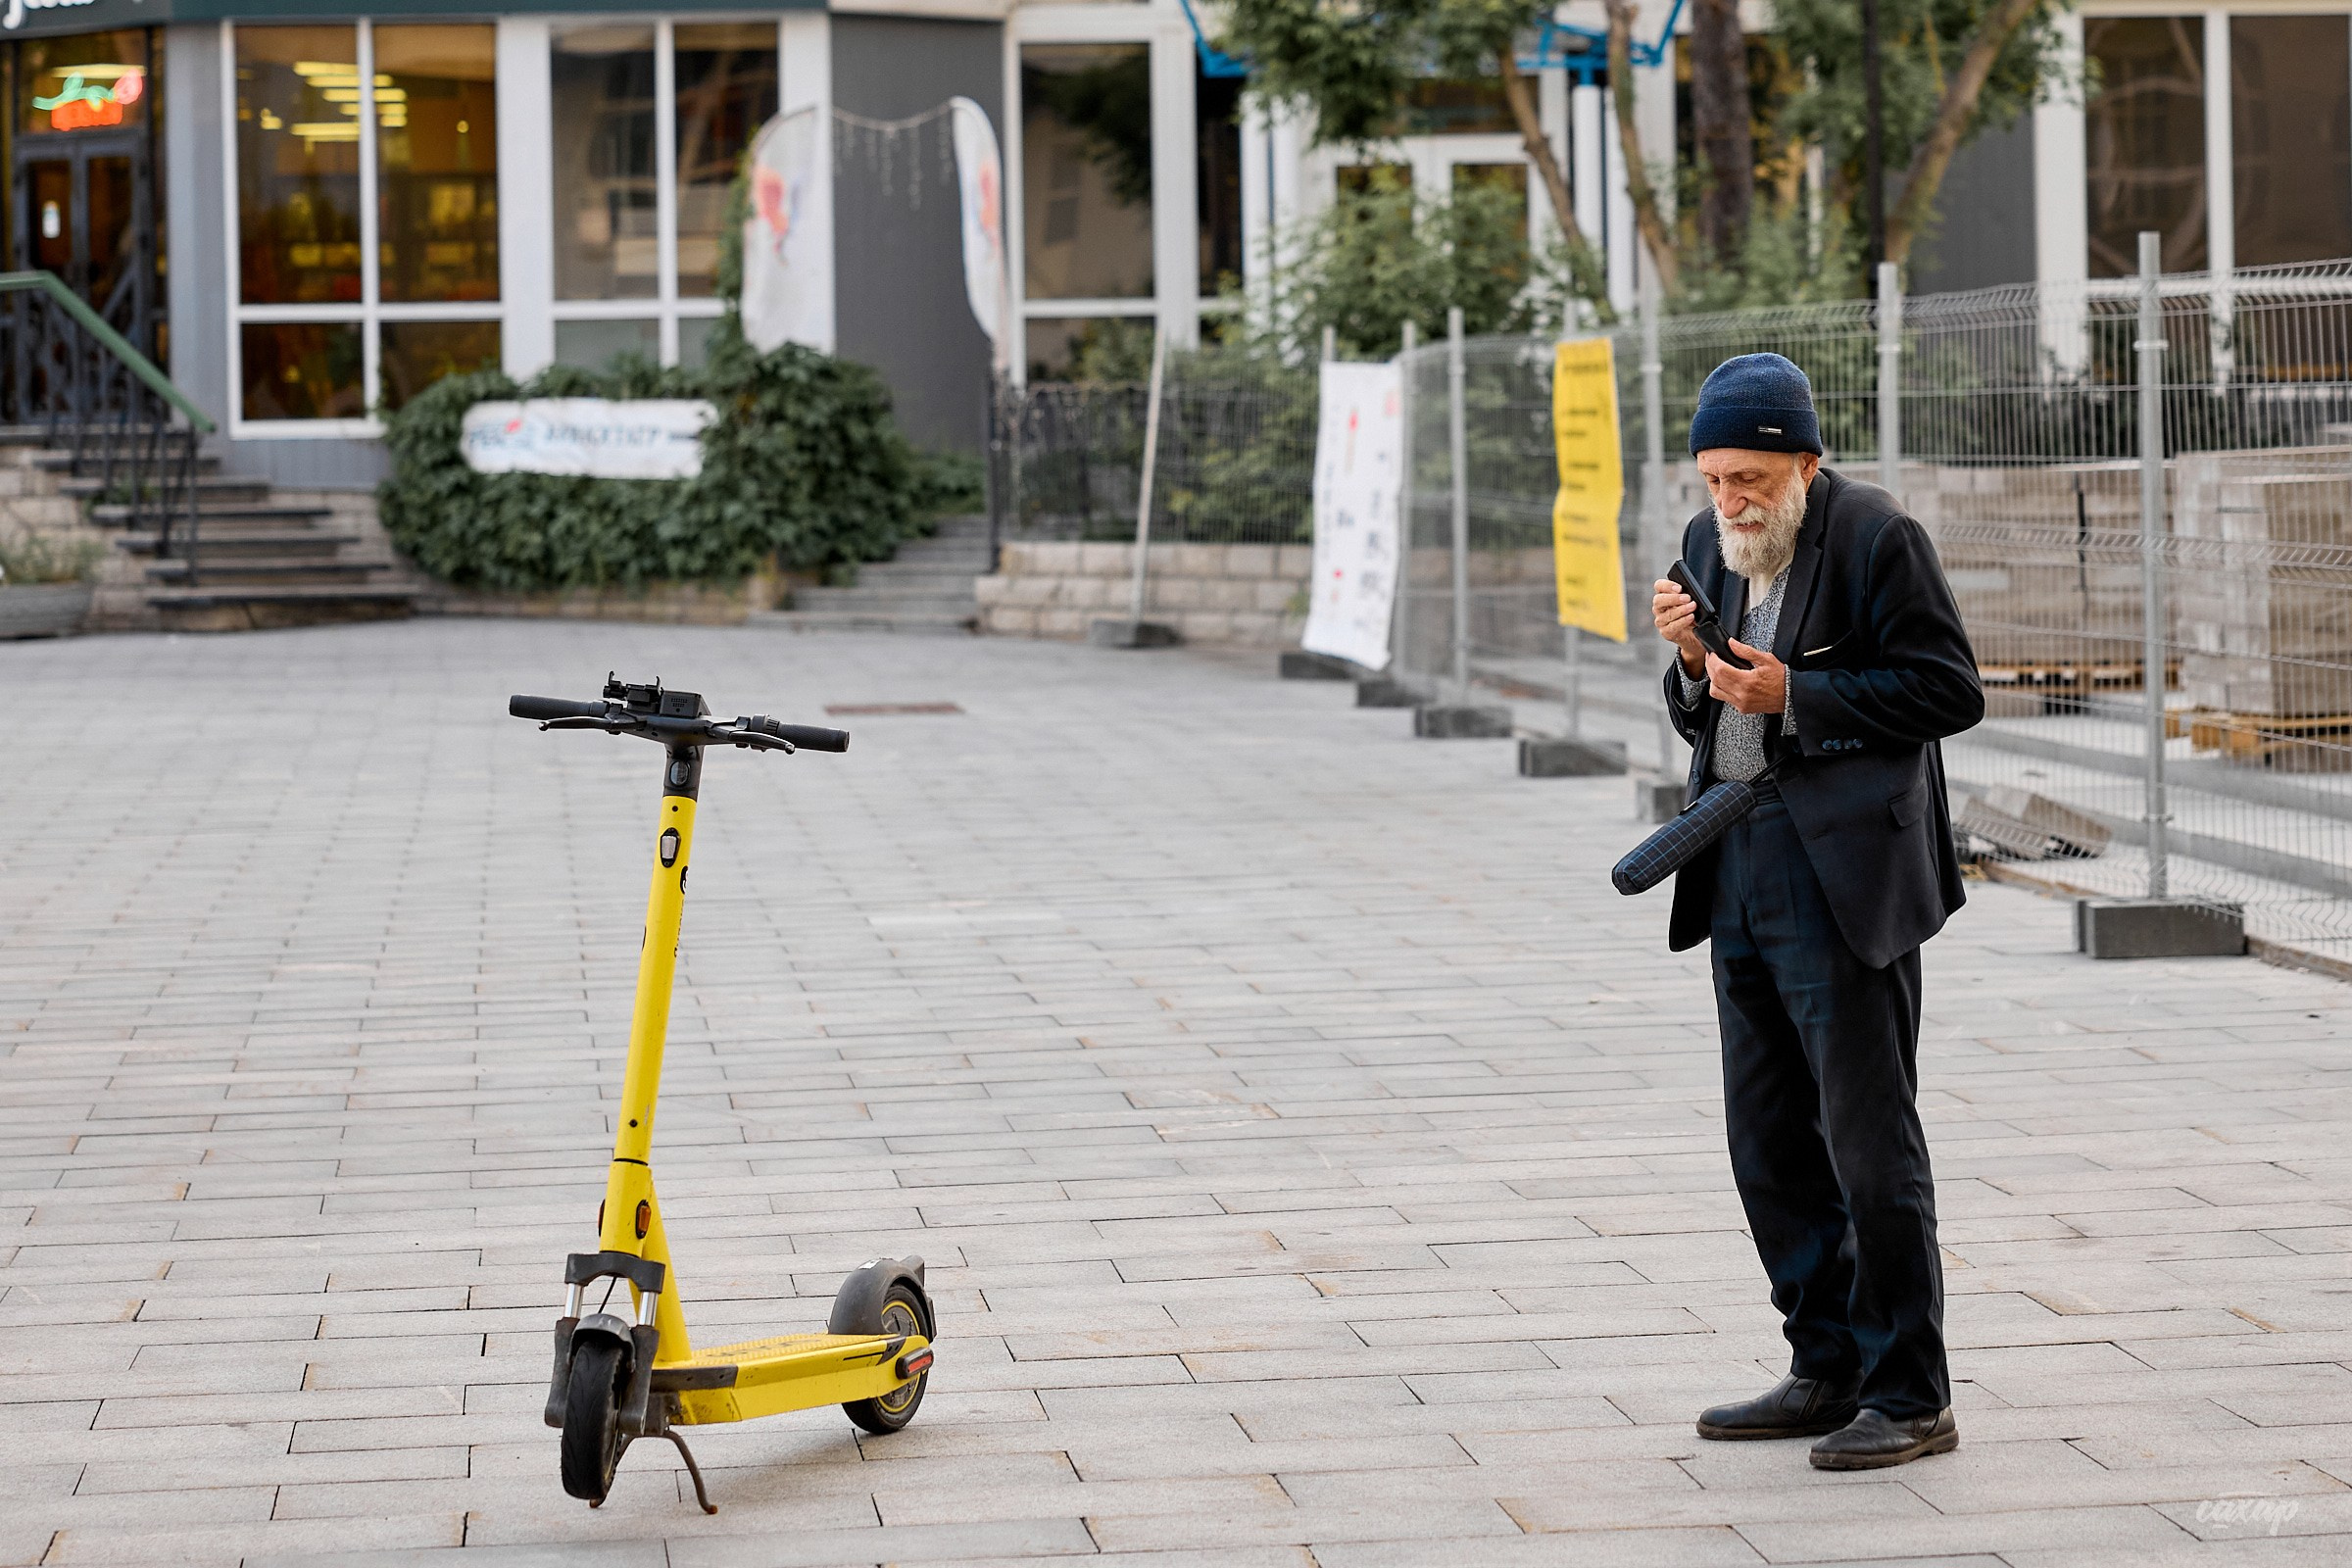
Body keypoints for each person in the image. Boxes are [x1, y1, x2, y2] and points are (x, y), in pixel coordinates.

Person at [1649, 352, 1983, 1471]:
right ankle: (1824, 1360)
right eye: (1712, 480)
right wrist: (1692, 663)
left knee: (1867, 1141)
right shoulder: (1709, 548)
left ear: (1806, 460)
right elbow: (1704, 713)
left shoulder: (1879, 537)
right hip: (1736, 857)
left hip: (1846, 872)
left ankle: (1911, 1390)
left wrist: (1803, 696)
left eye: (1748, 478)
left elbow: (1950, 690)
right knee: (1767, 1138)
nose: (1729, 503)